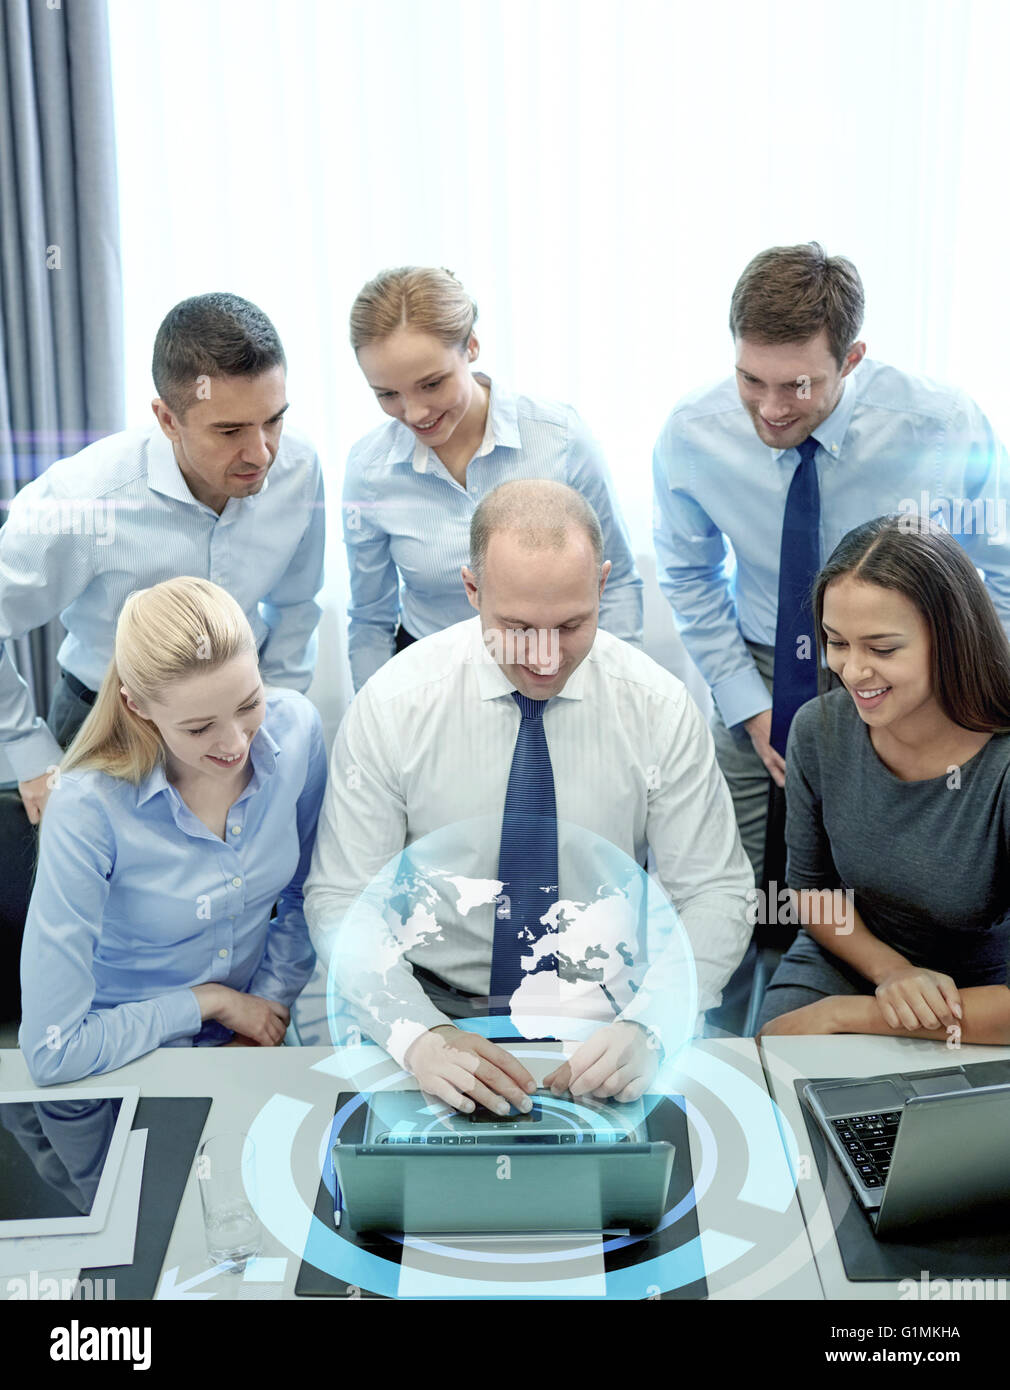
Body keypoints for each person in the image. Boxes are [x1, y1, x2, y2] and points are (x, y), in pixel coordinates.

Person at [305, 479, 752, 1114]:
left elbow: (714, 892)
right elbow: (343, 898)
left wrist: (652, 1024)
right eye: (516, 627)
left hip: (607, 1012)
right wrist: (417, 1035)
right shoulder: (394, 704)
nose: (545, 658)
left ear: (602, 586)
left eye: (571, 625)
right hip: (431, 1004)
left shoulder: (657, 707)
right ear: (471, 591)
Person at [652, 242, 1010, 880]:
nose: (771, 409)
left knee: (887, 876)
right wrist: (750, 706)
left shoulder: (941, 426)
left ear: (852, 358)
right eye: (750, 380)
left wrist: (964, 684)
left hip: (912, 671)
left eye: (797, 385)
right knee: (728, 883)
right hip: (761, 669)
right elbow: (687, 574)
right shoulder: (691, 434)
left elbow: (1003, 566)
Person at [1, 292, 325, 823]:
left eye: (273, 420)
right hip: (110, 729)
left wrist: (270, 718)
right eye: (229, 431)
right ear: (167, 418)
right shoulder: (82, 499)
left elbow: (296, 604)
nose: (262, 453)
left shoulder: (300, 467)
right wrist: (30, 756)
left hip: (238, 726)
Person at [19, 578, 327, 1085]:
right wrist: (208, 1004)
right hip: (122, 1057)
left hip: (253, 1032)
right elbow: (54, 1053)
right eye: (199, 727)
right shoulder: (86, 807)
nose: (235, 744)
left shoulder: (298, 732)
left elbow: (306, 893)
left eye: (249, 704)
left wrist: (265, 1004)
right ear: (137, 706)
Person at [756, 516, 1010, 1043]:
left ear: (952, 639)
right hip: (852, 956)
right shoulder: (818, 730)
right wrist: (891, 973)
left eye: (882, 648)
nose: (852, 671)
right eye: (836, 642)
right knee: (770, 1081)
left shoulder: (1002, 763)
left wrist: (852, 1014)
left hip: (988, 993)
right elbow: (813, 893)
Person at [342, 266, 643, 692]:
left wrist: (616, 691)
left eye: (432, 383)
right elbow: (370, 619)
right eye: (388, 394)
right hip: (432, 681)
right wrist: (373, 712)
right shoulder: (369, 471)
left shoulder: (560, 438)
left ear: (472, 347)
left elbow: (619, 582)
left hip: (556, 669)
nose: (414, 413)